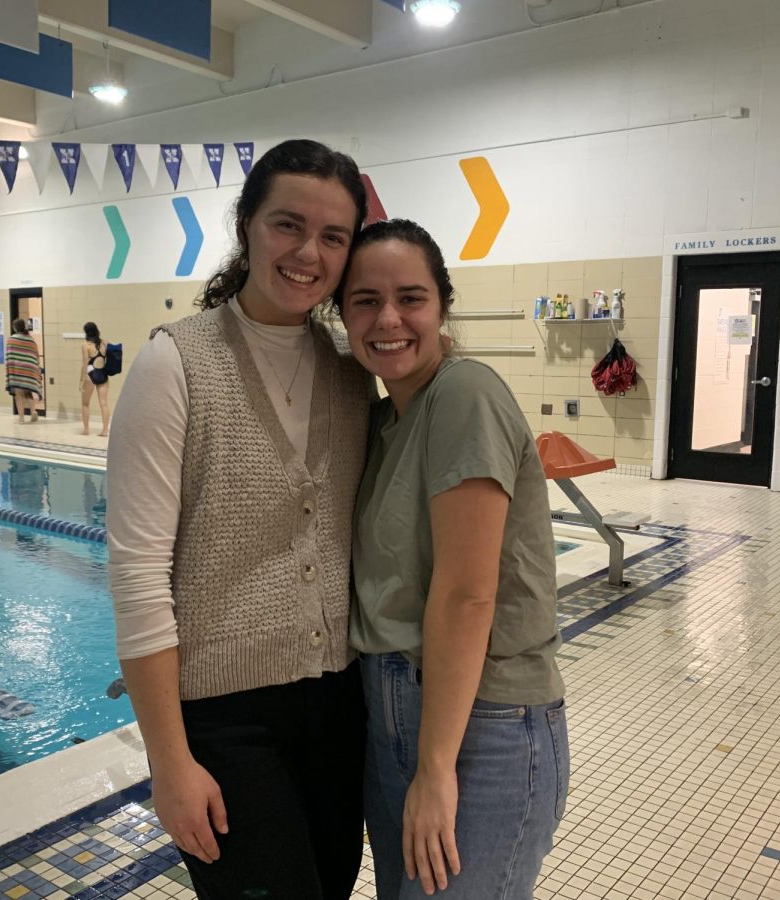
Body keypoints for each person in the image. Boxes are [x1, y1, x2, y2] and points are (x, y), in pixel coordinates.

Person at [107, 139, 371, 900]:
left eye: (333, 236)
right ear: (247, 223)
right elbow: (136, 575)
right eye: (288, 225)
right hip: (223, 722)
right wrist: (169, 761)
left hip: (337, 710)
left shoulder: (352, 374)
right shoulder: (175, 365)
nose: (308, 253)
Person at [335, 219, 569, 900]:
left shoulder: (464, 393)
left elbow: (468, 593)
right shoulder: (385, 422)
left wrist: (437, 769)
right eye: (365, 301)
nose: (388, 319)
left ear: (442, 307)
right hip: (398, 715)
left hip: (483, 728)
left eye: (411, 298)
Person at [5, 318, 43, 424]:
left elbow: (9, 355)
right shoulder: (31, 339)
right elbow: (36, 355)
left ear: (15, 328)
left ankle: (21, 418)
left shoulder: (11, 339)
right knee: (28, 393)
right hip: (29, 371)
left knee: (18, 395)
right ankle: (33, 411)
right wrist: (37, 369)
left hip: (17, 371)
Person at [79, 322, 112, 436]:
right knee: (104, 404)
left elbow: (84, 364)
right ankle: (105, 430)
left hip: (90, 375)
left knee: (85, 404)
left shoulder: (85, 345)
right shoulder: (104, 343)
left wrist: (82, 380)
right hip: (103, 374)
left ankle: (86, 429)